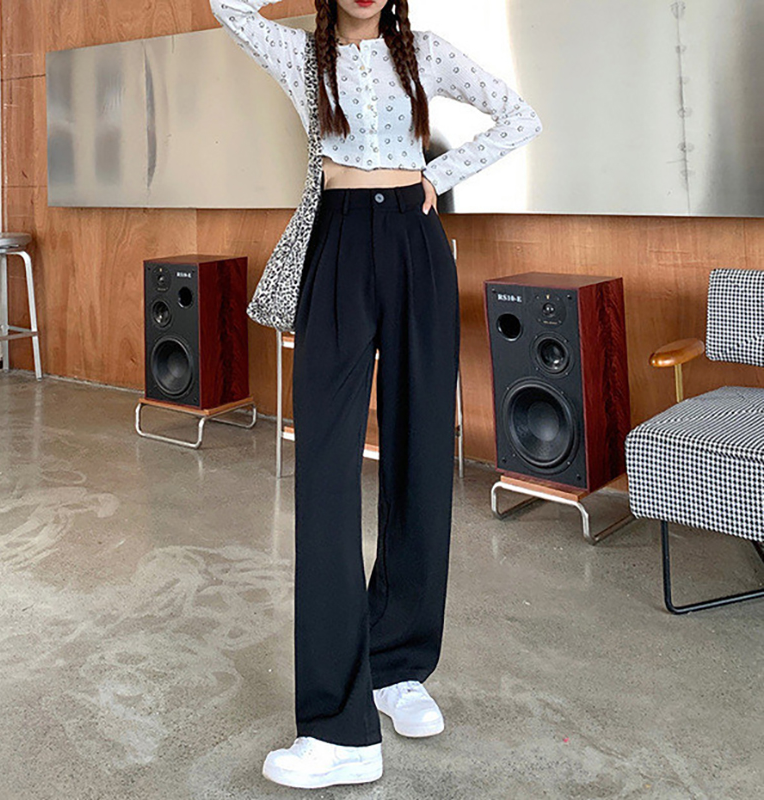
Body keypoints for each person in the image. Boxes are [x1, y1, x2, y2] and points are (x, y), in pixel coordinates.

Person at [210, 0, 542, 788]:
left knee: (422, 455)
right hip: (338, 240)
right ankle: (338, 729)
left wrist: (439, 176)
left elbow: (520, 116)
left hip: (416, 243)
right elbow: (226, 5)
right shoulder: (302, 55)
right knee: (326, 474)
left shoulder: (427, 50)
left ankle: (397, 666)